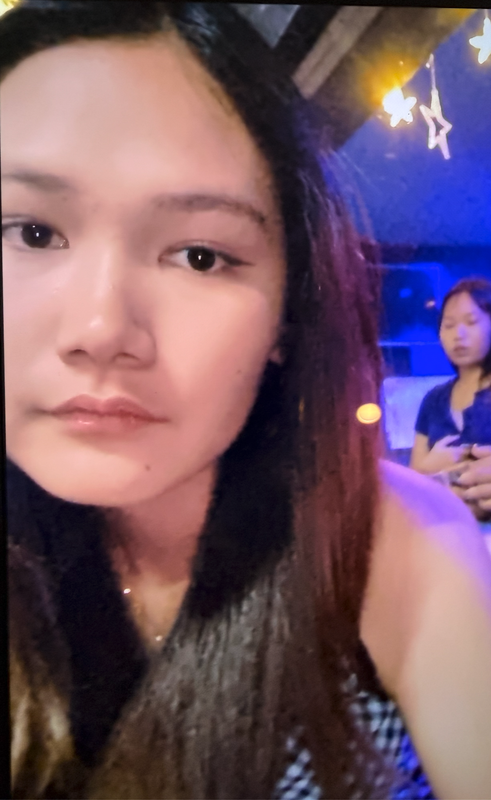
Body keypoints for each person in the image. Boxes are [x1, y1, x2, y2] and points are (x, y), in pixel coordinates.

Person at [3, 3, 491, 799]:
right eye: (30, 232)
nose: (99, 328)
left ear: (286, 316)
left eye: (199, 255)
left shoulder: (385, 548)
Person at [410, 278, 491, 517]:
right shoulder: (433, 399)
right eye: (449, 325)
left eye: (471, 322)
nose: (459, 334)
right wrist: (429, 469)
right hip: (445, 529)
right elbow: (412, 478)